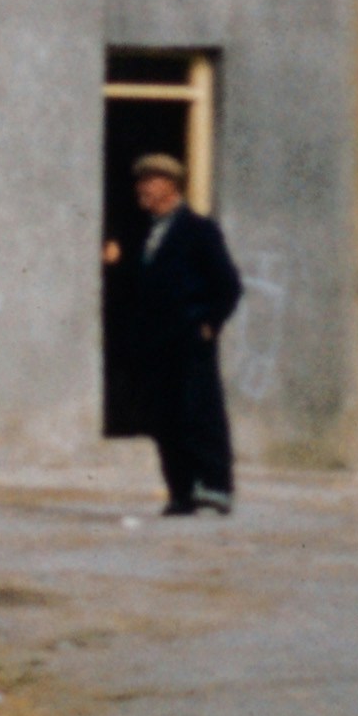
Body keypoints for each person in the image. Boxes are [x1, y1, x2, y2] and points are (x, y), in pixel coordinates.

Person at [101, 152, 238, 519]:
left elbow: (228, 284)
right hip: (153, 342)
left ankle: (215, 489)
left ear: (170, 186)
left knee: (198, 413)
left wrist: (208, 323)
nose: (141, 189)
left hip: (189, 340)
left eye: (150, 181)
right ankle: (181, 491)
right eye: (140, 182)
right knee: (164, 418)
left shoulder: (198, 230)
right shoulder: (144, 232)